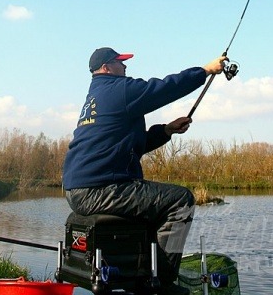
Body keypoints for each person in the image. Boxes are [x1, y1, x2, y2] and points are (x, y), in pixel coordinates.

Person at [62, 47, 226, 295]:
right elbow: (164, 88)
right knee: (181, 201)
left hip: (80, 188)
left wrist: (167, 131)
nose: (125, 67)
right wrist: (204, 70)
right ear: (106, 67)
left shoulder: (96, 97)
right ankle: (161, 282)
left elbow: (132, 147)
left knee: (151, 208)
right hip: (99, 188)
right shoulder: (119, 89)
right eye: (120, 62)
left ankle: (143, 273)